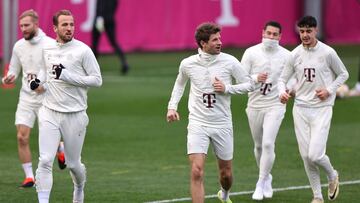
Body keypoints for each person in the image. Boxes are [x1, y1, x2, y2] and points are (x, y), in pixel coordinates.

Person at [166, 22, 254, 203]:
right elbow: (179, 84)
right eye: (215, 40)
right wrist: (172, 107)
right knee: (196, 170)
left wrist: (227, 88)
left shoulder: (229, 61)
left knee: (226, 174)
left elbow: (250, 84)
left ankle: (225, 193)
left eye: (219, 38)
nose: (219, 42)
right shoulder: (188, 64)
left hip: (222, 124)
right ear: (203, 43)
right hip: (198, 123)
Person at [32, 10, 102, 203]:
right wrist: (37, 81)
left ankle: (79, 187)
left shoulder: (83, 50)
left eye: (71, 24)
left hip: (75, 114)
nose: (69, 28)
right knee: (45, 160)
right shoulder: (47, 49)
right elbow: (45, 70)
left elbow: (97, 80)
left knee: (73, 164)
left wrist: (67, 76)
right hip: (49, 111)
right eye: (64, 25)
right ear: (55, 28)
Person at [278, 16, 349, 203]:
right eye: (301, 31)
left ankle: (332, 175)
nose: (305, 35)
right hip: (300, 109)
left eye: (308, 31)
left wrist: (329, 90)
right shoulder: (294, 54)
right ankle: (317, 196)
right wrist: (282, 92)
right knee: (305, 156)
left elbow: (343, 74)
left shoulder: (327, 52)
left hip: (322, 108)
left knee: (315, 154)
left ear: (316, 31)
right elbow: (281, 80)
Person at [1, 9, 66, 188]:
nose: (23, 29)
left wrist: (42, 85)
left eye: (27, 25)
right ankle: (30, 176)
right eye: (21, 26)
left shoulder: (50, 44)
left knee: (48, 138)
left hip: (46, 96)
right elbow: (14, 69)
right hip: (26, 97)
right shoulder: (18, 46)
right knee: (21, 137)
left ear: (36, 24)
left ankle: (61, 148)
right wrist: (9, 77)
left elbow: (57, 71)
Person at [239, 21, 291, 200]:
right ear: (262, 33)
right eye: (268, 33)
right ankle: (267, 176)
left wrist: (286, 91)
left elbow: (293, 79)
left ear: (280, 36)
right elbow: (241, 78)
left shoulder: (287, 55)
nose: (271, 37)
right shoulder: (251, 52)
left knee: (269, 143)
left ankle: (260, 183)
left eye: (275, 34)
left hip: (275, 105)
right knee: (259, 145)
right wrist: (255, 77)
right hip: (254, 105)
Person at [91, 0, 129, 74]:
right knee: (114, 42)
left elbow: (100, 5)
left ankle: (93, 67)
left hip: (100, 19)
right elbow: (115, 5)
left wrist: (100, 17)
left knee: (95, 44)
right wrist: (110, 15)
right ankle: (124, 62)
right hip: (110, 18)